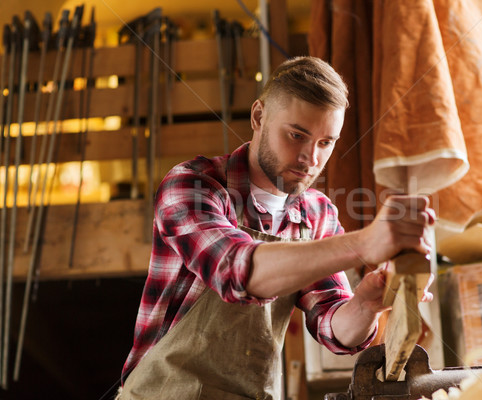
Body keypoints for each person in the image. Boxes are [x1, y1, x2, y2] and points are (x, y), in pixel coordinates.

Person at [117, 56, 435, 400]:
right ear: (259, 117)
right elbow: (238, 270)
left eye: (326, 142)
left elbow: (333, 328)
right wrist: (364, 243)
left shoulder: (316, 213)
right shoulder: (193, 186)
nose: (311, 158)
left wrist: (366, 305)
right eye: (297, 135)